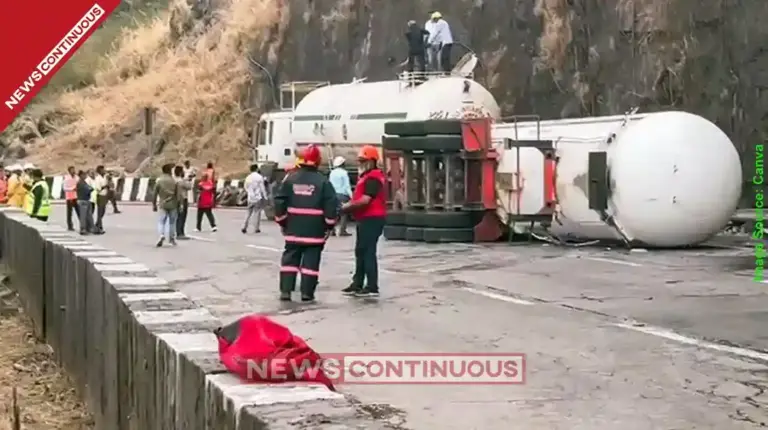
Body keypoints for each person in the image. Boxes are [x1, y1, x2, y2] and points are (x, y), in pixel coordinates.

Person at [273, 145, 339, 302]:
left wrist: (282, 222)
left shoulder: (290, 179)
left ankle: (285, 292)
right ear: (318, 161)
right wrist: (329, 226)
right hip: (315, 231)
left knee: (289, 260)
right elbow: (331, 206)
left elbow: (279, 202)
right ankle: (306, 293)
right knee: (311, 262)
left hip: (293, 229)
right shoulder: (323, 182)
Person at [341, 145, 387, 298]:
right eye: (360, 161)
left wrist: (346, 207)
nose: (360, 163)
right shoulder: (367, 177)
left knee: (367, 252)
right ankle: (358, 283)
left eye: (364, 161)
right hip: (365, 218)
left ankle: (372, 286)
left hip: (372, 218)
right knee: (361, 251)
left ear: (372, 161)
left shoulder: (373, 178)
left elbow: (365, 200)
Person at [152, 163, 180, 247]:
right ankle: (171, 239)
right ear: (169, 171)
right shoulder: (174, 181)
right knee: (172, 223)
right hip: (173, 204)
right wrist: (180, 204)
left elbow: (154, 193)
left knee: (161, 222)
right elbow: (178, 194)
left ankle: (161, 235)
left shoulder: (159, 180)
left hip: (163, 203)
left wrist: (154, 204)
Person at [329, 156, 352, 236]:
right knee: (344, 213)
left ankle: (332, 230)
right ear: (342, 164)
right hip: (343, 195)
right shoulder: (344, 173)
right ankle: (342, 230)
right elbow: (347, 186)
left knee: (335, 213)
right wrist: (352, 196)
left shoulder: (332, 172)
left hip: (334, 195)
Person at [242, 163, 267, 234]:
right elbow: (262, 188)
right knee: (257, 213)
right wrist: (265, 196)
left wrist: (249, 193)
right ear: (257, 169)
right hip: (258, 198)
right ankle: (256, 228)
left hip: (250, 198)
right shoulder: (259, 177)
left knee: (248, 213)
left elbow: (245, 187)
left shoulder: (248, 178)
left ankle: (244, 227)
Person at [174, 165, 192, 239]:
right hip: (182, 199)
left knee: (178, 217)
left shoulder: (175, 180)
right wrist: (188, 179)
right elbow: (189, 187)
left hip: (176, 199)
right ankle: (180, 233)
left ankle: (179, 232)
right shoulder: (181, 181)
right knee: (182, 217)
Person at [62, 166, 80, 230]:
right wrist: (72, 189)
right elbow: (64, 188)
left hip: (76, 197)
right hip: (69, 197)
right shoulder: (66, 178)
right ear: (69, 171)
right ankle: (70, 226)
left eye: (74, 169)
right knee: (69, 213)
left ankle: (83, 224)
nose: (73, 171)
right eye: (72, 170)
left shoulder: (77, 178)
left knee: (79, 212)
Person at [93, 165, 109, 234]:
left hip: (105, 195)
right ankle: (99, 227)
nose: (104, 170)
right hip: (100, 195)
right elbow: (98, 189)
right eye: (102, 170)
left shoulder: (105, 177)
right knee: (100, 212)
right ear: (99, 171)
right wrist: (105, 186)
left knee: (103, 211)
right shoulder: (98, 178)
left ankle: (97, 224)